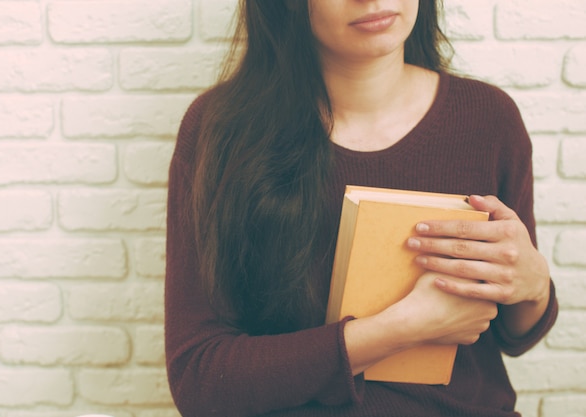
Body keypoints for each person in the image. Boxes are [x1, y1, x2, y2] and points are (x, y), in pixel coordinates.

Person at [164, 1, 558, 416]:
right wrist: (398, 330)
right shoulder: (221, 129)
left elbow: (515, 336)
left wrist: (533, 286)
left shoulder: (489, 118)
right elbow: (199, 380)